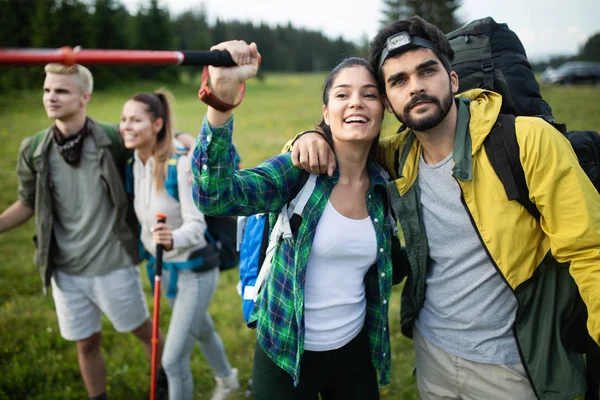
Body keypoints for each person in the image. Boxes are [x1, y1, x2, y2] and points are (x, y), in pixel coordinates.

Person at [290, 16, 600, 400]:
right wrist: (310, 134)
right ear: (388, 102)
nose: (416, 87)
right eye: (398, 80)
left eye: (426, 71)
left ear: (452, 80)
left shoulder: (527, 141)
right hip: (432, 354)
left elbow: (590, 252)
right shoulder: (397, 154)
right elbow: (347, 136)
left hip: (513, 366)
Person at [191, 40, 395, 400]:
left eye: (369, 94)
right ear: (326, 111)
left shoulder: (386, 183)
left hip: (354, 352)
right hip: (284, 351)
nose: (356, 103)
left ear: (383, 109)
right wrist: (220, 104)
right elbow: (215, 195)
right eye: (343, 95)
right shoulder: (297, 171)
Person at [0, 63, 194, 400]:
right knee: (86, 342)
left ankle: (166, 384)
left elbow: (156, 136)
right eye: (47, 90)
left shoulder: (111, 139)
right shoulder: (34, 148)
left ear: (84, 97)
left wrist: (188, 140)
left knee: (143, 331)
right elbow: (27, 202)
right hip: (65, 270)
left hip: (112, 262)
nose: (51, 97)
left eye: (61, 91)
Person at [119, 89, 240, 400]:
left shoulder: (181, 164)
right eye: (123, 120)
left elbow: (197, 226)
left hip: (195, 271)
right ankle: (228, 380)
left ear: (157, 124)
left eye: (135, 120)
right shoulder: (135, 162)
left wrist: (173, 238)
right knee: (202, 329)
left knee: (172, 361)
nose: (126, 126)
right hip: (164, 269)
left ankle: (225, 380)